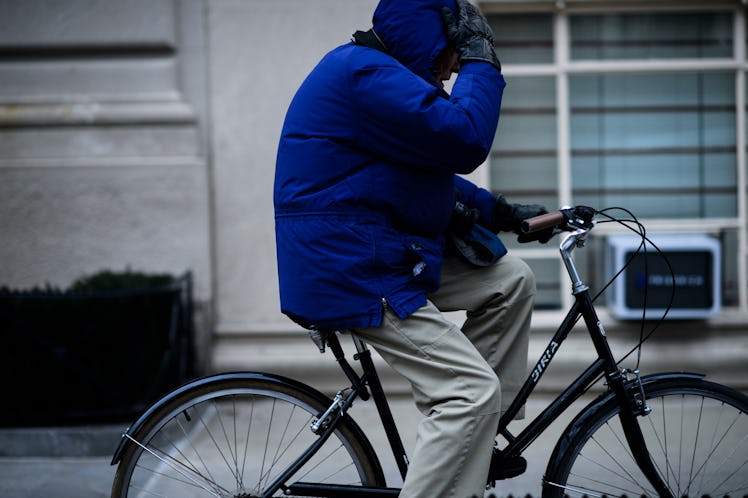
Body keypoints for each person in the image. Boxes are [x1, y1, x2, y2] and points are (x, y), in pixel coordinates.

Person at [274, 0, 552, 496]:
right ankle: (466, 421)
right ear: (430, 43)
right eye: (450, 58)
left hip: (377, 253)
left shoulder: (374, 76)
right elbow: (464, 139)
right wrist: (481, 59)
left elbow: (427, 177)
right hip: (354, 266)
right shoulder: (364, 74)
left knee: (511, 282)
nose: (450, 74)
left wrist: (504, 213)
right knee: (469, 392)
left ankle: (471, 441)